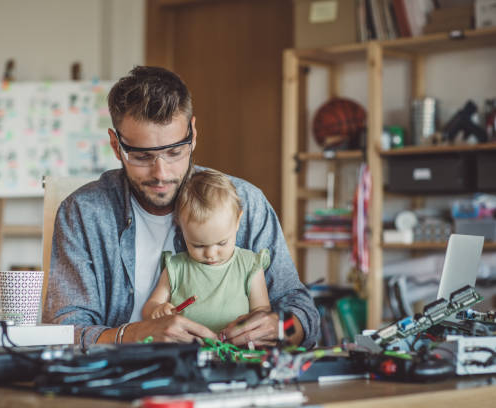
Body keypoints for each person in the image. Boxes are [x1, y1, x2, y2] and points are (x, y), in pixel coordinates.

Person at [43, 65, 319, 348]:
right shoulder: (84, 213)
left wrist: (280, 326)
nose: (161, 173)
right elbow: (64, 331)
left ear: (193, 134)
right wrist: (139, 333)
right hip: (121, 382)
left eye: (175, 152)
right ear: (116, 146)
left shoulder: (245, 202)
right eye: (142, 156)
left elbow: (304, 315)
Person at [142, 169, 271, 337]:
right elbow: (149, 308)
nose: (211, 254)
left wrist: (250, 325)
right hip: (188, 351)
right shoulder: (176, 267)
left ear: (238, 221)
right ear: (180, 226)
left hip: (236, 352)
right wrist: (158, 310)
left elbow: (262, 311)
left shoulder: (249, 265)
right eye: (198, 245)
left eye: (222, 243)